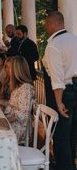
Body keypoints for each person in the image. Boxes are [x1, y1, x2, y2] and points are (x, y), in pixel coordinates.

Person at [43, 11, 77, 170]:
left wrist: (58, 102)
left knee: (61, 135)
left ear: (51, 24)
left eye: (45, 24)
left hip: (65, 93)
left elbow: (57, 79)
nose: (45, 27)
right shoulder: (74, 39)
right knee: (72, 134)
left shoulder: (54, 46)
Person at [0, 56, 35, 145]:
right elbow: (11, 105)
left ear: (17, 70)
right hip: (13, 122)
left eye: (9, 68)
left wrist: (5, 121)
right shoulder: (18, 87)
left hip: (18, 128)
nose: (6, 70)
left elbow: (23, 114)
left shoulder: (26, 88)